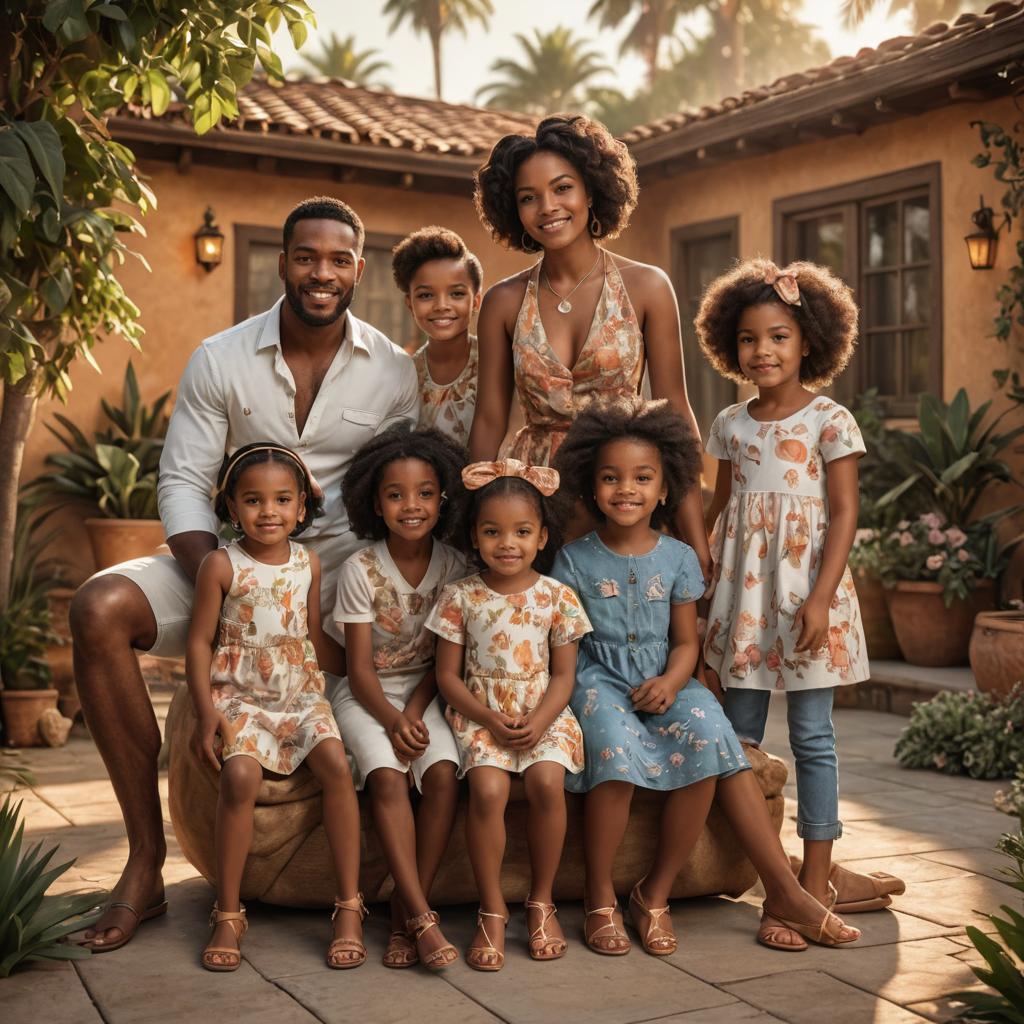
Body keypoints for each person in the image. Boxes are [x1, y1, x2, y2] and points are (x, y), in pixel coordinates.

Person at [70, 196, 420, 952]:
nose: (320, 273)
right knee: (99, 608)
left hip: (340, 574)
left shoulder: (394, 370)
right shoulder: (220, 357)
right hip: (225, 560)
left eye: (337, 260)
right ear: (282, 262)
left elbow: (400, 488)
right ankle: (143, 861)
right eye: (305, 256)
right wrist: (223, 584)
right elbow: (184, 484)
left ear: (358, 269)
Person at [553, 397, 861, 953]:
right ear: (590, 487)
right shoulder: (573, 560)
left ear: (665, 488)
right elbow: (567, 649)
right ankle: (600, 897)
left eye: (643, 477)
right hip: (595, 680)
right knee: (616, 751)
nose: (627, 489)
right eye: (610, 478)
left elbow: (686, 642)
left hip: (666, 675)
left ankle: (655, 895)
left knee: (713, 735)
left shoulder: (678, 559)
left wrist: (674, 682)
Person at [697, 258, 903, 932]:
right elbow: (721, 508)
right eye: (751, 338)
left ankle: (816, 879)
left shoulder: (830, 420)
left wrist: (819, 599)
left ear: (809, 340)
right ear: (732, 344)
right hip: (744, 601)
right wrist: (697, 576)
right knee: (741, 738)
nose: (764, 351)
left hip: (808, 599)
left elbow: (843, 513)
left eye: (779, 336)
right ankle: (769, 877)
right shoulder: (729, 424)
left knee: (814, 738)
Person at [468, 113, 710, 574]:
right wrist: (476, 521)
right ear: (512, 209)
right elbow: (488, 419)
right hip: (534, 502)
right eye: (528, 197)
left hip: (623, 493)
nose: (548, 207)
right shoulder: (502, 301)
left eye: (562, 188)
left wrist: (696, 540)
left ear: (592, 190)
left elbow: (675, 413)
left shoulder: (648, 287)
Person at [187, 443, 364, 971]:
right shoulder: (221, 565)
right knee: (240, 776)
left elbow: (311, 636)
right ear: (231, 508)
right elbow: (199, 642)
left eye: (282, 499)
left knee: (336, 762)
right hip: (240, 695)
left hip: (300, 693)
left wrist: (368, 671)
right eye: (253, 500)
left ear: (302, 508)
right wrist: (206, 712)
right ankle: (228, 911)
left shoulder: (307, 562)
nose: (269, 512)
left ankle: (349, 906)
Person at [427, 460, 591, 970]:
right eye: (492, 532)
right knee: (489, 789)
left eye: (522, 532)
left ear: (542, 537)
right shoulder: (459, 597)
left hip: (543, 711)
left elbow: (564, 676)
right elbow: (447, 678)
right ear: (474, 537)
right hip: (481, 712)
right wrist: (490, 719)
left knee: (547, 782)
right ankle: (492, 907)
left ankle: (541, 901)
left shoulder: (558, 597)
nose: (507, 543)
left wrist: (540, 720)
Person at [332, 423, 467, 970]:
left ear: (443, 499)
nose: (412, 506)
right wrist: (391, 718)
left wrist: (414, 711)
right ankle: (417, 916)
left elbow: (444, 662)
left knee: (440, 776)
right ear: (376, 503)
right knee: (387, 776)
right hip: (366, 696)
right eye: (396, 494)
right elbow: (357, 670)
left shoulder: (456, 566)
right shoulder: (359, 570)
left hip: (427, 691)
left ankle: (406, 908)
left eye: (426, 493)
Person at [392, 226, 483, 447]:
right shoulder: (405, 375)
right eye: (426, 295)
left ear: (476, 301)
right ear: (409, 304)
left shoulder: (495, 363)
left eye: (457, 294)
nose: (442, 306)